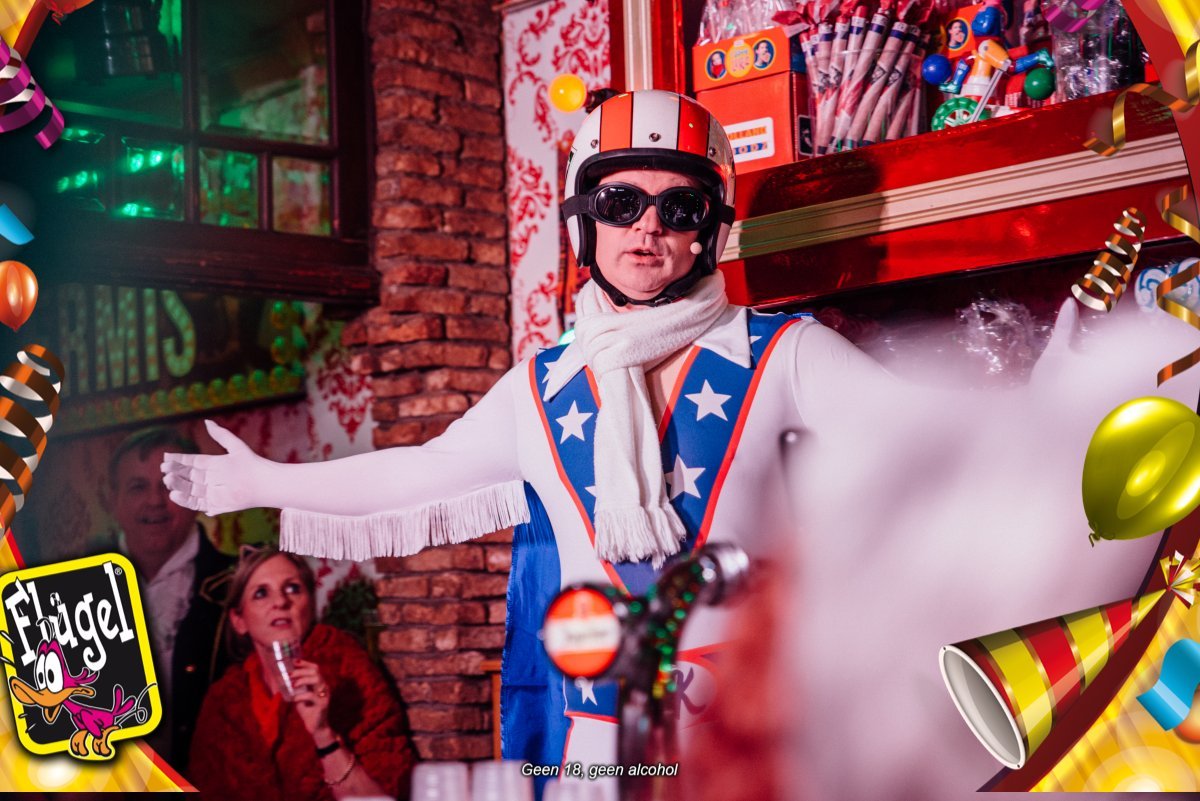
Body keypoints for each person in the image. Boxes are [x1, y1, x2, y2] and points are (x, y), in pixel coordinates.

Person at [161, 90, 1174, 795]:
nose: (646, 228)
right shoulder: (541, 385)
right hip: (597, 739)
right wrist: (265, 480)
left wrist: (1058, 392)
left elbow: (936, 442)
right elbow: (419, 474)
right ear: (584, 223)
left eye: (677, 206)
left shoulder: (784, 353)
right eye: (620, 203)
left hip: (752, 731)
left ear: (709, 228)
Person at [188, 546, 414, 800]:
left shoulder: (349, 672)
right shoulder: (224, 702)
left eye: (293, 589)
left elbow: (385, 793)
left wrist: (323, 734)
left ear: (311, 604)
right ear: (239, 620)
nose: (280, 602)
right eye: (261, 593)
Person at [101, 426, 232, 768]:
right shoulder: (72, 589)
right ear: (112, 500)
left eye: (170, 486)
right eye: (137, 487)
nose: (154, 501)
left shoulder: (241, 588)